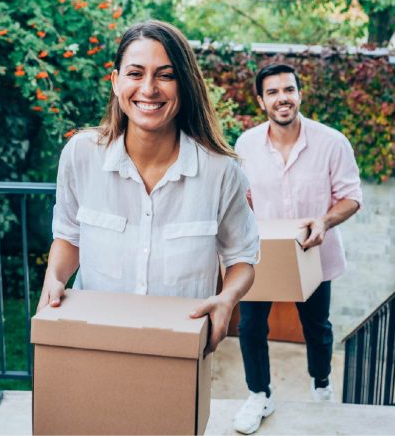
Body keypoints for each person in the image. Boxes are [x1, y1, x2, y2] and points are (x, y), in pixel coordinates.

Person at [38, 20, 258, 354]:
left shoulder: (221, 172)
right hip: (92, 342)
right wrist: (54, 278)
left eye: (165, 75)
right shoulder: (80, 155)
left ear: (183, 85)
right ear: (116, 82)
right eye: (136, 73)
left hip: (178, 349)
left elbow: (241, 256)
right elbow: (69, 236)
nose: (149, 89)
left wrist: (227, 299)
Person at [232, 63, 363, 434]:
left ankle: (321, 384)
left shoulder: (332, 142)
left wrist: (323, 221)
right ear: (261, 101)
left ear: (300, 94)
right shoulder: (245, 144)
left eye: (288, 90)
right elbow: (244, 199)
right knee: (251, 327)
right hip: (263, 255)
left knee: (317, 328)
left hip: (313, 254)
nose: (282, 98)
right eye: (272, 92)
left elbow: (352, 197)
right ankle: (259, 395)